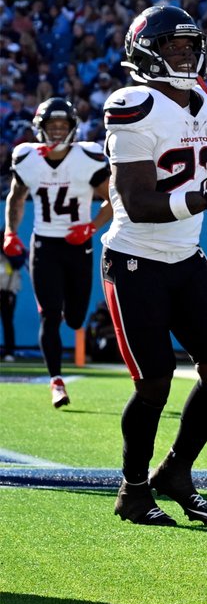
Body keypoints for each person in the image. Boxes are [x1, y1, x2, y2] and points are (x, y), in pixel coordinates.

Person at [101, 5, 207, 526]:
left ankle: (175, 471)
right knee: (154, 382)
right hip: (135, 260)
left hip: (186, 258)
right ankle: (132, 490)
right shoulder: (132, 106)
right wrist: (202, 200)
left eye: (190, 45)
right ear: (145, 50)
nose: (185, 54)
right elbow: (137, 203)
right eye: (172, 45)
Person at [3, 97, 113, 407]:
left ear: (73, 128)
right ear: (39, 128)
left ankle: (62, 308)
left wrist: (91, 227)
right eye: (51, 126)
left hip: (79, 245)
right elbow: (15, 197)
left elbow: (114, 198)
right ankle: (56, 382)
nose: (56, 131)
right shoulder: (27, 158)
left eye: (62, 126)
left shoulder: (87, 156)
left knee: (76, 319)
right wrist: (11, 231)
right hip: (45, 244)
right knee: (50, 317)